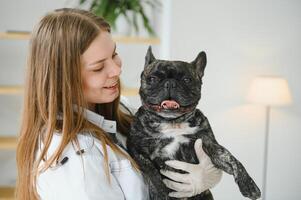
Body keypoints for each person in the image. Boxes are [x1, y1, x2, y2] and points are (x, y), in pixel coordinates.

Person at [16, 8, 222, 200]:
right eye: (98, 68)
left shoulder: (121, 110)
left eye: (114, 54)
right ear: (63, 80)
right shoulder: (75, 163)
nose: (116, 70)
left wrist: (210, 172)